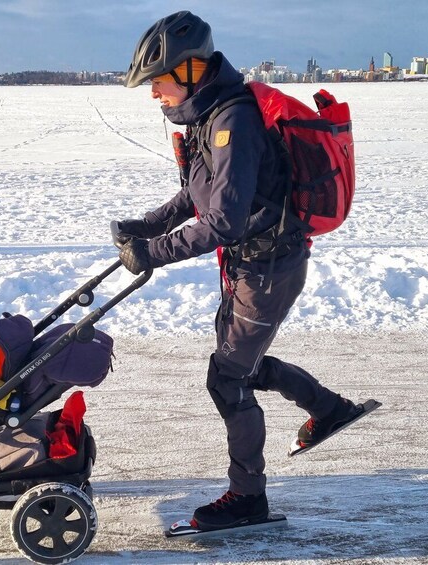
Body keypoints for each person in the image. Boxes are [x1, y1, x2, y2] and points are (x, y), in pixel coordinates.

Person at [113, 10, 364, 530]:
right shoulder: (212, 115)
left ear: (188, 71)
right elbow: (197, 193)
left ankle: (248, 498)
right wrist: (147, 224)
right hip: (253, 266)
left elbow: (223, 221)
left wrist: (153, 252)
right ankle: (330, 409)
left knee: (227, 378)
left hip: (267, 268)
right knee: (239, 366)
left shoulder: (233, 120)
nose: (153, 94)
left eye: (156, 82)